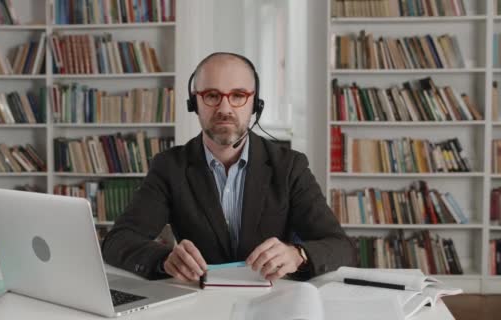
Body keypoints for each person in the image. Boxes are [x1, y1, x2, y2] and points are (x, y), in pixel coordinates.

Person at [102, 52, 356, 282]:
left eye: (238, 96)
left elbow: (340, 247)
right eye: (212, 95)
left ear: (255, 104)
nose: (225, 108)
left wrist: (297, 254)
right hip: (199, 302)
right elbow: (118, 241)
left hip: (271, 303)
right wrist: (164, 259)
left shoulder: (289, 166)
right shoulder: (169, 166)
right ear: (194, 103)